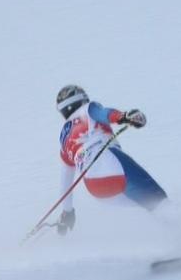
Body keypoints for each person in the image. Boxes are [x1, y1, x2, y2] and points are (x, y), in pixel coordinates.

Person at [55, 85, 167, 234]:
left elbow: (66, 179)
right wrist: (124, 117)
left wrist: (67, 211)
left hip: (96, 189)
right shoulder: (87, 109)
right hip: (110, 165)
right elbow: (103, 113)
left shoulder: (64, 138)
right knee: (158, 201)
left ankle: (175, 239)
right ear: (81, 99)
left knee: (150, 206)